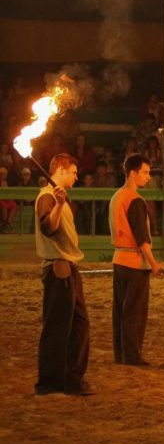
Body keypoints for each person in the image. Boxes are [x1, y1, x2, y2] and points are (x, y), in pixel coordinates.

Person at [34, 153, 94, 396]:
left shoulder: (55, 196)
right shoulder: (47, 197)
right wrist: (58, 205)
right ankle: (50, 381)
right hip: (59, 269)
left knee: (79, 324)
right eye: (73, 171)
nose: (76, 176)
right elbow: (48, 227)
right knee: (58, 326)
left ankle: (70, 378)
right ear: (60, 169)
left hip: (69, 268)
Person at [110, 154, 163, 366]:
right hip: (134, 262)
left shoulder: (116, 197)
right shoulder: (135, 200)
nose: (148, 177)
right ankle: (131, 357)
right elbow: (142, 238)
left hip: (119, 259)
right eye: (145, 172)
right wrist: (154, 263)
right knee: (134, 312)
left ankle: (121, 354)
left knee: (120, 310)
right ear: (133, 173)